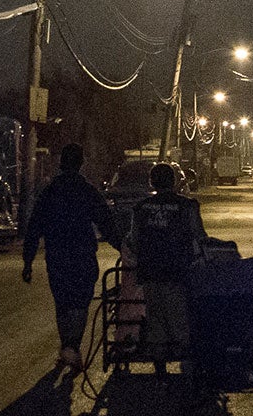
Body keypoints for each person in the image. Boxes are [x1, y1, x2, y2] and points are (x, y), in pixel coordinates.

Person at [22, 143, 120, 370]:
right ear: (81, 164)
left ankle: (68, 347)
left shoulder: (50, 191)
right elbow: (106, 222)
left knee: (63, 303)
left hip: (57, 257)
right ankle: (72, 347)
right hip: (82, 256)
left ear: (60, 163)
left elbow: (34, 227)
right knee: (80, 303)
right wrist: (123, 248)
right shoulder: (86, 190)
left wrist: (27, 262)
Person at [126, 161, 205, 379]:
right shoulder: (187, 206)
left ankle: (160, 372)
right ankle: (189, 375)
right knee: (180, 320)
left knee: (156, 321)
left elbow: (134, 240)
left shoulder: (141, 208)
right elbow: (199, 236)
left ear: (152, 181)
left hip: (150, 273)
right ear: (175, 181)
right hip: (179, 273)